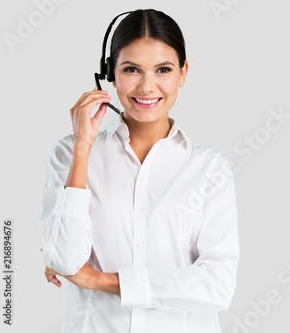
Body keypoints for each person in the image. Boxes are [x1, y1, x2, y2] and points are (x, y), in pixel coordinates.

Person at [40, 8, 240, 333]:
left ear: (183, 73)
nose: (147, 86)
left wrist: (102, 281)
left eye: (163, 69)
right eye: (131, 69)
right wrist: (82, 148)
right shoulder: (69, 153)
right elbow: (63, 259)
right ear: (110, 74)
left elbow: (217, 285)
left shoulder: (210, 168)